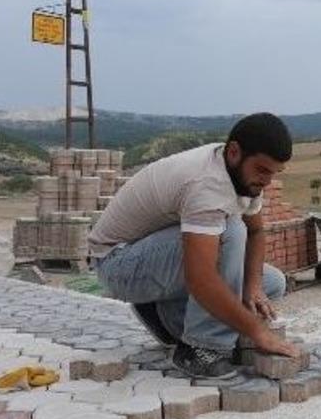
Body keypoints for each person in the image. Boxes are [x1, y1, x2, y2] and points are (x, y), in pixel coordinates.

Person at [89, 112, 301, 379]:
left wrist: (254, 287)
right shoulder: (206, 185)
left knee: (272, 282)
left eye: (274, 173)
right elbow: (200, 280)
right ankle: (200, 350)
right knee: (230, 231)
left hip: (153, 260)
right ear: (235, 152)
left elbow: (257, 231)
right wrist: (258, 332)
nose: (267, 181)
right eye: (262, 170)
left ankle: (162, 315)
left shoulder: (241, 177)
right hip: (118, 263)